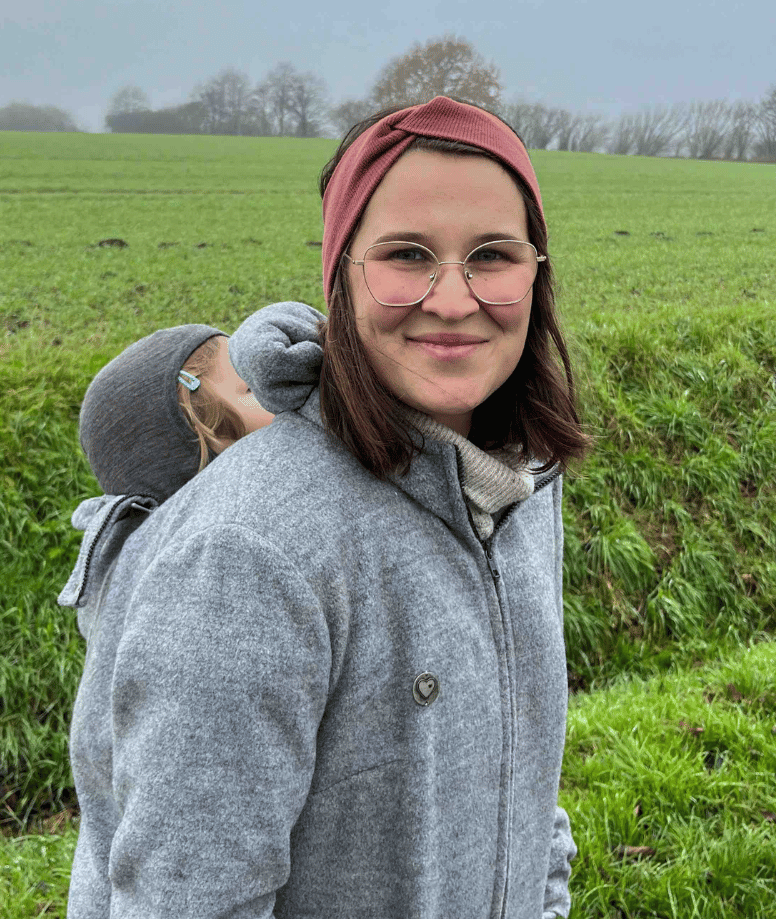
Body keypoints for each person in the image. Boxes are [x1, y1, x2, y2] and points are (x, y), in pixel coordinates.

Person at [63, 96, 590, 918]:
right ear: (341, 277)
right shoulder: (248, 554)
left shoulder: (521, 487)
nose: (453, 301)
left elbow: (520, 790)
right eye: (406, 255)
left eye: (492, 256)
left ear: (537, 274)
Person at [58, 324, 274, 898]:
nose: (284, 394)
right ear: (203, 448)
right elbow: (190, 857)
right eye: (252, 392)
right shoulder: (206, 595)